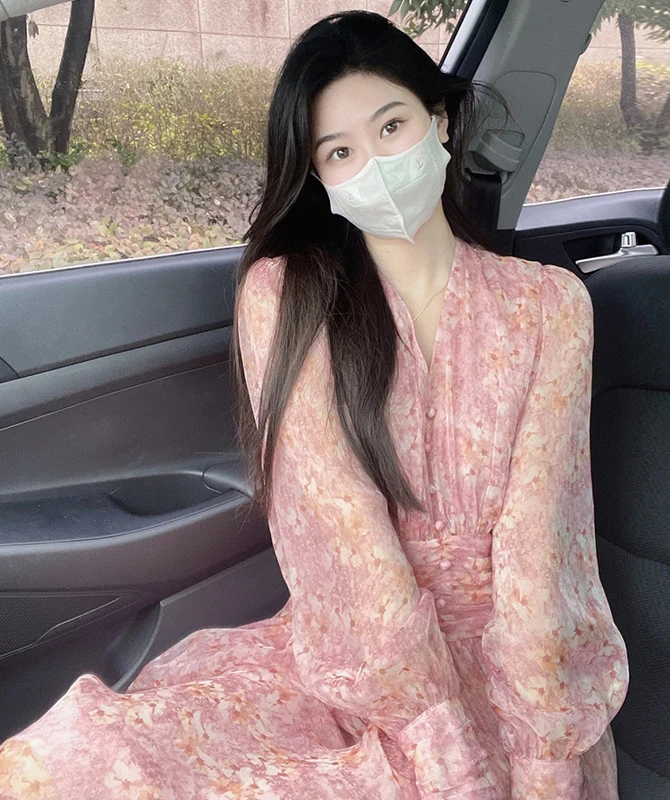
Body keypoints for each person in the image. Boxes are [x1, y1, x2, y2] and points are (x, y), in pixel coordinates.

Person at [0, 10, 629, 800]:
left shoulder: (552, 305)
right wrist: (434, 734)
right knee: (86, 765)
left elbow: (545, 547)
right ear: (320, 179)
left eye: (391, 127)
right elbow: (338, 525)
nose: (375, 165)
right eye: (340, 152)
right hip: (357, 656)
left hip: (515, 676)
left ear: (439, 120)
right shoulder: (290, 296)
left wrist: (539, 753)